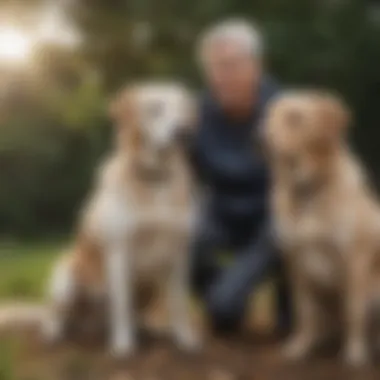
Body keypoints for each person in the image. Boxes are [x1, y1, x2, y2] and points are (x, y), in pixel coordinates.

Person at [189, 19, 291, 334]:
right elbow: (181, 176)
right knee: (223, 312)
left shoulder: (287, 111)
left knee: (289, 327)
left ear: (256, 66)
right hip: (222, 214)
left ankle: (290, 301)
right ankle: (226, 298)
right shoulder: (196, 114)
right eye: (215, 67)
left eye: (232, 65)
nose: (223, 76)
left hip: (276, 222)